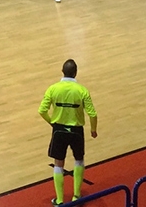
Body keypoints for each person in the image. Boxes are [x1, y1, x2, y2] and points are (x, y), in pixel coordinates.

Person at [39, 59, 98, 205]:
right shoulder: (82, 90)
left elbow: (42, 110)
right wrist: (93, 129)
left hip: (59, 130)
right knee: (79, 160)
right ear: (75, 72)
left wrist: (52, 123)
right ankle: (77, 197)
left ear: (62, 71)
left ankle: (59, 200)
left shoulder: (53, 89)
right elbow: (93, 114)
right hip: (77, 131)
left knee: (58, 164)